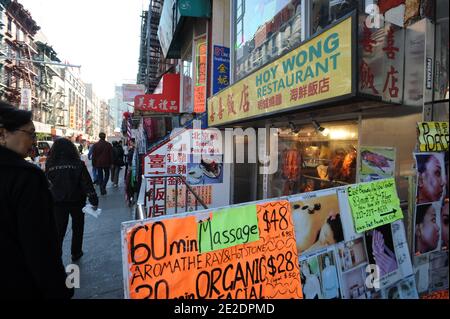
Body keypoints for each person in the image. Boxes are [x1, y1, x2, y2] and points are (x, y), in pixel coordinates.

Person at [0, 101, 73, 299]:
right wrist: (60, 288)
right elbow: (39, 245)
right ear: (3, 134)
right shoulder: (25, 177)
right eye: (30, 134)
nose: (34, 141)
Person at [45, 138, 98, 261]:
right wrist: (93, 199)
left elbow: (47, 183)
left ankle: (56, 255)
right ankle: (76, 252)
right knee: (78, 227)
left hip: (57, 202)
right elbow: (86, 183)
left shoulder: (50, 164)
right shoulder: (78, 164)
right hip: (76, 201)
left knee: (59, 230)